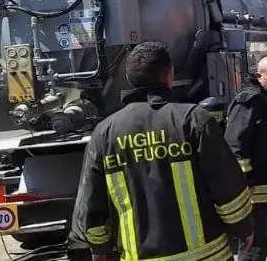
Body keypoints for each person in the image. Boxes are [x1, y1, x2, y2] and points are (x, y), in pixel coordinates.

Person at [74, 42, 253, 261]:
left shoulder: (105, 133)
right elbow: (227, 186)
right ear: (170, 74)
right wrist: (243, 229)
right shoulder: (192, 120)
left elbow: (93, 203)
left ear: (129, 79)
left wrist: (99, 248)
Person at [225, 56, 267, 261]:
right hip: (254, 191)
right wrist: (245, 182)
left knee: (264, 241)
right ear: (259, 76)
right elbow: (234, 145)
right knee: (253, 245)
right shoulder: (250, 101)